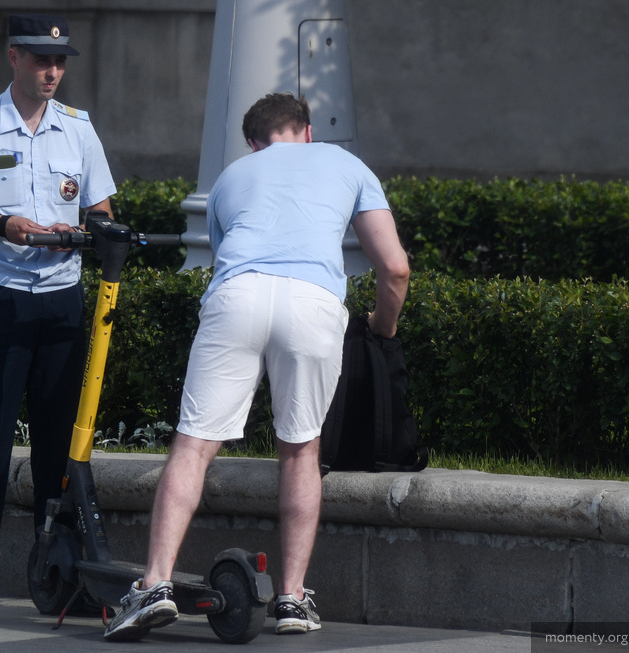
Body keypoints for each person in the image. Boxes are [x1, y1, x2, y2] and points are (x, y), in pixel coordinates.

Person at [103, 92, 411, 641]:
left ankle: (154, 584)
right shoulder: (348, 165)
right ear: (308, 132)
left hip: (237, 296)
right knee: (300, 450)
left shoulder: (231, 177)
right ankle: (291, 599)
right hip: (313, 302)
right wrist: (383, 328)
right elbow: (395, 270)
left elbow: (226, 259)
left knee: (193, 446)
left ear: (253, 142)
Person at [0, 14, 117, 627]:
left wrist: (80, 235)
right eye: (39, 60)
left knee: (60, 452)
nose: (52, 71)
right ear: (13, 59)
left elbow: (102, 211)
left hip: (61, 299)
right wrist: (0, 226)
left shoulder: (80, 131)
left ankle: (63, 582)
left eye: (59, 61)